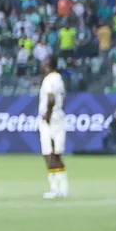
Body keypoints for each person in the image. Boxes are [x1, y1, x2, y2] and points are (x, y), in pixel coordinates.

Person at [38, 52, 69, 199]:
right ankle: (64, 188)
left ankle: (54, 188)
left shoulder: (49, 79)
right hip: (60, 116)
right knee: (57, 153)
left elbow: (51, 98)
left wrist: (48, 114)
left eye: (44, 62)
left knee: (48, 153)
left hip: (51, 119)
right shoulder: (59, 79)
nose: (41, 65)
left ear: (48, 64)